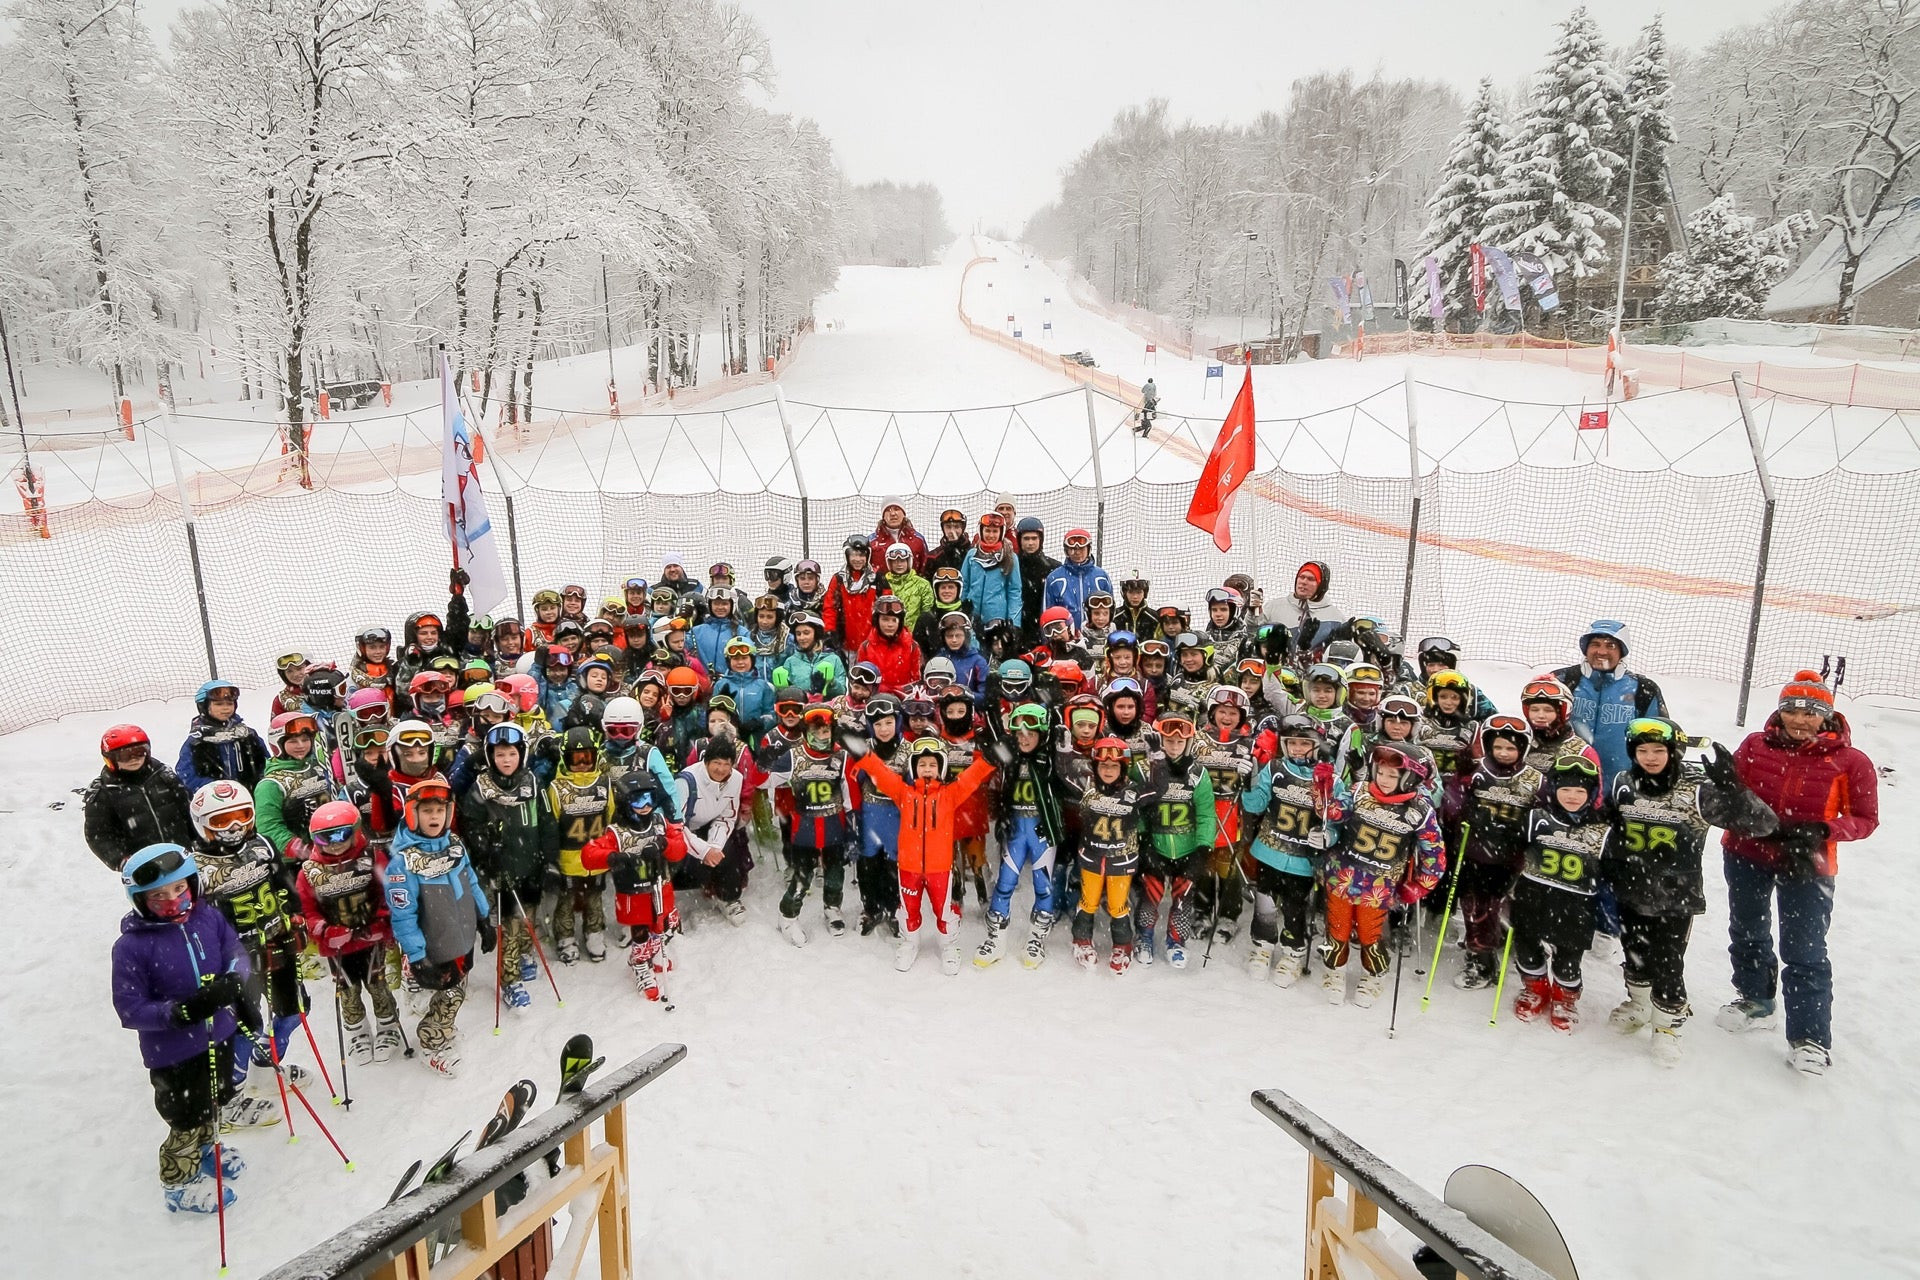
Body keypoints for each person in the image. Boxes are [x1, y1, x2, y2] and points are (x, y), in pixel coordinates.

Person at [1717, 670, 1879, 1076]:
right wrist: (1725, 786)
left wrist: (1825, 830)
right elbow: (1737, 794)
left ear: (1827, 715)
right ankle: (1755, 1000)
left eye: (1812, 713)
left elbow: (1865, 819)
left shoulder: (1850, 761)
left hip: (1808, 862)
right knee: (1748, 929)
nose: (1801, 720)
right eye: (1793, 710)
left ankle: (1809, 1038)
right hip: (1747, 851)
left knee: (1804, 949)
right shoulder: (1756, 744)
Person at [112, 843, 263, 1214]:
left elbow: (235, 952)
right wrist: (177, 1013)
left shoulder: (207, 917)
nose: (173, 900)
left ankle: (208, 1148)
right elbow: (129, 1008)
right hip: (175, 1051)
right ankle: (179, 1181)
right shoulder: (131, 947)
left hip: (221, 1032)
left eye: (180, 889)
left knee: (216, 1098)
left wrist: (232, 980)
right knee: (186, 1115)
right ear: (139, 899)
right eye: (158, 895)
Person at [851, 733, 997, 975]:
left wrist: (991, 758)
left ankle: (948, 945)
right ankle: (910, 942)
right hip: (908, 867)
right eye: (921, 764)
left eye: (932, 764)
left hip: (940, 869)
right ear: (913, 768)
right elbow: (882, 774)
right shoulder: (904, 793)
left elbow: (972, 777)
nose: (927, 769)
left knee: (944, 910)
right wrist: (862, 754)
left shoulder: (950, 794)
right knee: (909, 909)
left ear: (940, 768)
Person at [1318, 744, 1444, 1008]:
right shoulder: (1360, 791)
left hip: (1379, 885)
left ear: (1409, 779)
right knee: (1338, 928)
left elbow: (1433, 853)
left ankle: (1373, 975)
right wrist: (1324, 789)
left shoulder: (1419, 810)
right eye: (1380, 773)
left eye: (1392, 776)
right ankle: (1335, 972)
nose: (1383, 781)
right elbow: (1332, 813)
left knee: (1369, 933)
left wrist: (1420, 885)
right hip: (1342, 876)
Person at [382, 775, 490, 1078]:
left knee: (458, 986)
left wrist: (484, 918)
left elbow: (472, 882)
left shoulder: (454, 845)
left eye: (440, 811)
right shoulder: (403, 863)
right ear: (413, 814)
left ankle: (444, 1023)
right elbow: (403, 917)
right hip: (434, 943)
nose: (434, 817)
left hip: (461, 936)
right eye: (427, 811)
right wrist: (417, 957)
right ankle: (432, 1041)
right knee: (452, 994)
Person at [292, 801, 403, 1064]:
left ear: (354, 831)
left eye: (341, 834)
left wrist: (380, 924)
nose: (334, 843)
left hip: (369, 936)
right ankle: (357, 1031)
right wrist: (326, 931)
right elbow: (308, 911)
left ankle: (388, 1025)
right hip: (338, 945)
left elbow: (385, 893)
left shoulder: (371, 857)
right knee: (347, 989)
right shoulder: (310, 871)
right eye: (324, 837)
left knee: (376, 982)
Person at [459, 722, 556, 1011]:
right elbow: (470, 826)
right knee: (509, 927)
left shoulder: (533, 785)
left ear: (522, 754)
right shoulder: (480, 789)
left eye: (511, 754)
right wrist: (487, 848)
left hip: (531, 862)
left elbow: (548, 823)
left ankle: (526, 952)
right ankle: (509, 979)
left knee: (529, 915)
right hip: (501, 870)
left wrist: (549, 861)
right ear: (490, 757)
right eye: (500, 755)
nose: (506, 761)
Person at [1509, 752, 1609, 1031]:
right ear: (1554, 790)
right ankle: (1535, 988)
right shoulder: (1536, 818)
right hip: (1533, 895)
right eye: (1566, 789)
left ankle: (1565, 998)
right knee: (1527, 947)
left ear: (1591, 793)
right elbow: (1512, 846)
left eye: (1580, 791)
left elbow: (1613, 868)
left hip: (1576, 903)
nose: (1573, 796)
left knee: (1568, 957)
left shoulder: (1600, 829)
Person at [581, 776, 684, 1002]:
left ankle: (656, 950)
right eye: (638, 801)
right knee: (640, 931)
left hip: (659, 886)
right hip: (634, 891)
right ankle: (639, 963)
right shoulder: (617, 832)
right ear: (626, 803)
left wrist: (664, 844)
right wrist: (613, 857)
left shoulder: (659, 823)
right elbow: (589, 855)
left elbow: (679, 848)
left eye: (649, 799)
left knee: (660, 923)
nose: (645, 806)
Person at [1069, 737, 1160, 973]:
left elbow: (1160, 787)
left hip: (1122, 859)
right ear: (1096, 766)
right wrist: (1063, 750)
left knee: (1118, 906)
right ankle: (1081, 940)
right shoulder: (1088, 788)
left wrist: (1157, 756)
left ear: (1123, 768)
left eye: (1114, 766)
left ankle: (1122, 945)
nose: (1108, 770)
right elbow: (1063, 774)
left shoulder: (1132, 792)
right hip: (1091, 857)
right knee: (1088, 902)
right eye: (1103, 765)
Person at [1133, 713, 1216, 968]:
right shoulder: (1143, 769)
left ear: (1189, 743)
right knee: (1151, 895)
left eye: (1180, 742)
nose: (1174, 746)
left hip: (1187, 847)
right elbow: (1136, 806)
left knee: (1183, 898)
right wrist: (1143, 839)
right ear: (1160, 740)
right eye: (1169, 741)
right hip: (1156, 845)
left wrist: (1203, 848)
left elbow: (1205, 812)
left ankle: (1176, 941)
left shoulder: (1197, 774)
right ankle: (1144, 937)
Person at [1550, 620, 1667, 782]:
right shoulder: (1562, 681)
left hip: (1620, 785)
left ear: (1622, 651)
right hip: (1567, 785)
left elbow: (1659, 739)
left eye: (1610, 645)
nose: (1601, 651)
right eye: (1595, 644)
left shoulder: (1643, 688)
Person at [85, 724, 195, 870]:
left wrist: (200, 840)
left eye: (139, 752)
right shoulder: (104, 793)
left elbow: (189, 810)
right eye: (125, 755)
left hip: (181, 853)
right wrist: (121, 860)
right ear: (110, 759)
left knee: (190, 890)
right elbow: (98, 835)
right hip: (143, 865)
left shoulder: (164, 777)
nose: (133, 759)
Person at [253, 711, 333, 856]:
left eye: (305, 739)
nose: (301, 745)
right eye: (292, 741)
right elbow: (268, 826)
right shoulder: (271, 784)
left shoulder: (320, 767)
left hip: (333, 846)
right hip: (296, 861)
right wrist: (296, 847)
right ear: (278, 744)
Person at [176, 679, 268, 795]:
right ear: (204, 706)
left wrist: (261, 784)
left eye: (230, 703)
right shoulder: (197, 741)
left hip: (252, 797)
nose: (225, 708)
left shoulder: (247, 735)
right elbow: (186, 775)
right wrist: (215, 789)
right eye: (218, 704)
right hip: (216, 802)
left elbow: (267, 763)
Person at [961, 511, 1022, 629]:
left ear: (1001, 533)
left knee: (994, 646)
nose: (991, 535)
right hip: (972, 614)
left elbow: (1014, 591)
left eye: (995, 531)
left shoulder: (1009, 557)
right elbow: (964, 584)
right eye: (987, 531)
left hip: (996, 617)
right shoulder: (972, 555)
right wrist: (962, 606)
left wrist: (1014, 623)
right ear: (981, 532)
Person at [1042, 527, 1113, 629]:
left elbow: (1109, 611)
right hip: (1066, 638)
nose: (1077, 552)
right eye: (1073, 549)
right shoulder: (1055, 578)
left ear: (1088, 549)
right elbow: (1047, 612)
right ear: (1066, 551)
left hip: (1096, 637)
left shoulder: (1101, 577)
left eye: (1082, 548)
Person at [823, 535, 881, 654]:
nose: (858, 559)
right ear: (847, 556)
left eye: (861, 555)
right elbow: (830, 607)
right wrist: (829, 631)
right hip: (845, 641)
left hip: (872, 642)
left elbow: (885, 608)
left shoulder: (877, 579)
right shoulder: (839, 579)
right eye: (854, 555)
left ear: (868, 556)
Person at [1013, 517, 1059, 643]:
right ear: (1019, 540)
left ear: (1041, 540)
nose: (1030, 543)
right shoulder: (1011, 565)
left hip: (1045, 628)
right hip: (1018, 628)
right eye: (1026, 539)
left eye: (1034, 538)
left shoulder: (1053, 567)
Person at [880, 542, 935, 630]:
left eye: (902, 560)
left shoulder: (922, 584)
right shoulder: (883, 583)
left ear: (909, 561)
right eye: (895, 561)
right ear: (889, 563)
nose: (899, 564)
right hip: (890, 632)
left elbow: (927, 612)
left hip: (915, 635)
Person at [868, 501, 930, 573]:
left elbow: (925, 568)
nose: (893, 514)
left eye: (896, 509)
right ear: (883, 516)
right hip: (882, 584)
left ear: (903, 513)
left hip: (913, 583)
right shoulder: (872, 541)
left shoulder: (918, 539)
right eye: (888, 510)